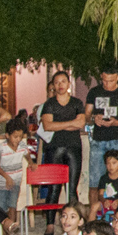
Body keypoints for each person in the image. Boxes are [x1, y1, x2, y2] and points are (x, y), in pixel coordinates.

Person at [39, 70, 86, 207]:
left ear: (68, 83)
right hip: (53, 147)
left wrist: (58, 125)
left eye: (63, 81)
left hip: (74, 146)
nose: (60, 85)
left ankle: (75, 221)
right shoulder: (49, 104)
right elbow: (47, 125)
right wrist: (71, 123)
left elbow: (80, 123)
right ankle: (50, 225)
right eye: (57, 82)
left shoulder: (77, 103)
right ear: (53, 85)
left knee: (72, 189)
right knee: (53, 189)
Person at [85, 67, 118, 190]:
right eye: (105, 81)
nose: (107, 84)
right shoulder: (94, 92)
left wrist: (117, 122)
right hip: (98, 139)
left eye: (111, 81)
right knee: (95, 180)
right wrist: (93, 119)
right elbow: (86, 116)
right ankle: (95, 208)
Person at [0, 117, 33, 235]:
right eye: (15, 136)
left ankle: (11, 232)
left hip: (16, 182)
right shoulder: (1, 148)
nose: (18, 139)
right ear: (7, 135)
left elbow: (27, 155)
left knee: (12, 206)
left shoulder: (22, 146)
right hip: (2, 184)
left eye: (20, 136)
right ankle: (3, 233)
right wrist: (7, 178)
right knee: (1, 207)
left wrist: (31, 163)